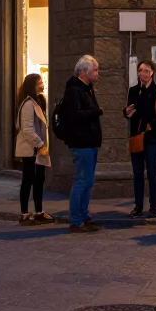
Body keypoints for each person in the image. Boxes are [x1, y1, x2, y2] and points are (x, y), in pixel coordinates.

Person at [60, 55, 103, 233]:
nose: (97, 73)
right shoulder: (74, 90)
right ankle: (76, 220)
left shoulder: (87, 88)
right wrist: (96, 112)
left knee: (88, 181)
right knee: (82, 181)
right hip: (81, 142)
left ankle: (84, 216)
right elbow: (75, 116)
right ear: (85, 72)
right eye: (95, 70)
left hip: (90, 142)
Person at [125, 61, 156, 218]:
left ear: (152, 72)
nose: (143, 73)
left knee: (152, 173)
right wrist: (126, 112)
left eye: (146, 70)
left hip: (152, 138)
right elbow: (130, 112)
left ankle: (153, 206)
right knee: (137, 173)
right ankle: (138, 206)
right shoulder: (133, 91)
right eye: (140, 70)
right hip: (137, 136)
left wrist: (150, 123)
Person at [14, 73, 55, 225]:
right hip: (32, 148)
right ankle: (24, 214)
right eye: (40, 82)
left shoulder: (38, 101)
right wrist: (40, 144)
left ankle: (39, 211)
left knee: (39, 179)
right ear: (33, 85)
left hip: (39, 148)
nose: (43, 84)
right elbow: (27, 129)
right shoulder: (28, 104)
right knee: (28, 179)